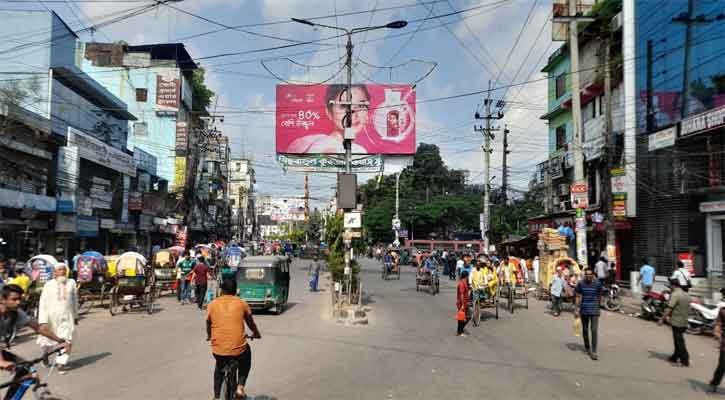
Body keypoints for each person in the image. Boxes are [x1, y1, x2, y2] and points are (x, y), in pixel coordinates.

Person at [207, 279, 261, 400]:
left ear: (222, 290)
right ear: (235, 291)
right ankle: (240, 387)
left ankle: (216, 397)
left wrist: (209, 335)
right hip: (238, 350)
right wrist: (256, 334)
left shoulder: (212, 304)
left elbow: (208, 323)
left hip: (218, 350)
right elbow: (251, 324)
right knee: (247, 353)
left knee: (219, 367)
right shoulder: (242, 303)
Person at [0, 284, 71, 370]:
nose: (18, 302)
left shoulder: (16, 312)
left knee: (28, 371)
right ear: (2, 300)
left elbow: (38, 328)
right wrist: (1, 361)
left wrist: (60, 341)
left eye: (19, 299)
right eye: (14, 299)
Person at [287, 85, 370, 154]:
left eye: (361, 106)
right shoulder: (326, 146)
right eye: (344, 106)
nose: (353, 113)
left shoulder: (357, 149)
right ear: (329, 112)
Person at [36, 263, 78, 374]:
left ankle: (61, 364)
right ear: (54, 272)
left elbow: (74, 300)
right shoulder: (48, 285)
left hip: (67, 317)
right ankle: (45, 356)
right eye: (59, 270)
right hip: (50, 317)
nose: (62, 272)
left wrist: (76, 315)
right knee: (48, 341)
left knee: (67, 339)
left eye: (64, 270)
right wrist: (42, 321)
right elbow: (43, 303)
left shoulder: (71, 283)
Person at [660, 278, 691, 367]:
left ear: (673, 285)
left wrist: (662, 318)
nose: (670, 287)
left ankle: (685, 360)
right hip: (684, 321)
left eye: (670, 285)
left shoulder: (675, 295)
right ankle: (675, 356)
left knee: (679, 341)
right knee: (677, 340)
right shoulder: (686, 294)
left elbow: (669, 308)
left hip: (676, 321)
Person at [575, 268, 603, 360]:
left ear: (593, 275)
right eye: (586, 274)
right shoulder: (581, 283)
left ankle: (594, 351)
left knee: (594, 330)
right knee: (585, 330)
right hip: (584, 309)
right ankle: (587, 347)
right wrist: (577, 309)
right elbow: (578, 296)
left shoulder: (598, 284)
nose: (588, 276)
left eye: (590, 274)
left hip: (594, 310)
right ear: (584, 275)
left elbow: (599, 296)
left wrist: (598, 307)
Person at [710, 291, 725, 393]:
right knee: (722, 365)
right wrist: (717, 331)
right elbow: (718, 323)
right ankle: (715, 383)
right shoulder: (722, 311)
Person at [456, 271, 470, 337]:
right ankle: (460, 331)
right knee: (463, 317)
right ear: (466, 276)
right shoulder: (462, 283)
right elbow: (461, 294)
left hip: (465, 302)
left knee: (465, 317)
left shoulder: (464, 282)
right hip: (462, 303)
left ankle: (460, 330)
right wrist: (462, 305)